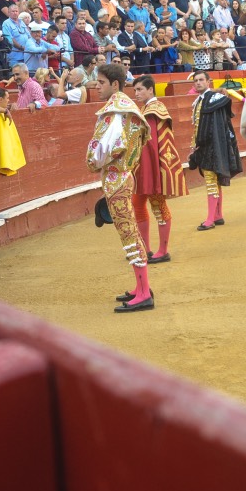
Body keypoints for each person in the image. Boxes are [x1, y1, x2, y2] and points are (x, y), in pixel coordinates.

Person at [86, 63, 155, 313]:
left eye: (101, 82)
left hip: (117, 178)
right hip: (125, 174)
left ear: (115, 84)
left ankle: (144, 293)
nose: (97, 87)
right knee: (130, 231)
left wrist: (92, 161)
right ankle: (141, 287)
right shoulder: (128, 108)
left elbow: (105, 148)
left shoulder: (115, 112)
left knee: (129, 234)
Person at [130, 74, 189, 264]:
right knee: (137, 203)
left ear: (150, 90)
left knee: (158, 205)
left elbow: (150, 145)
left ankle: (163, 251)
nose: (136, 93)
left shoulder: (153, 111)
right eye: (135, 90)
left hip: (151, 167)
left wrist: (151, 172)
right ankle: (145, 249)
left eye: (140, 89)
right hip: (144, 166)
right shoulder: (149, 109)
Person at [189, 69, 242, 230]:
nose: (198, 83)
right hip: (206, 146)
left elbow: (217, 124)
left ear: (208, 82)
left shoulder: (212, 99)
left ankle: (210, 220)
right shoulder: (200, 101)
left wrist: (200, 143)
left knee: (211, 181)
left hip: (212, 146)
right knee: (215, 181)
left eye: (201, 80)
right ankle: (217, 216)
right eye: (195, 81)